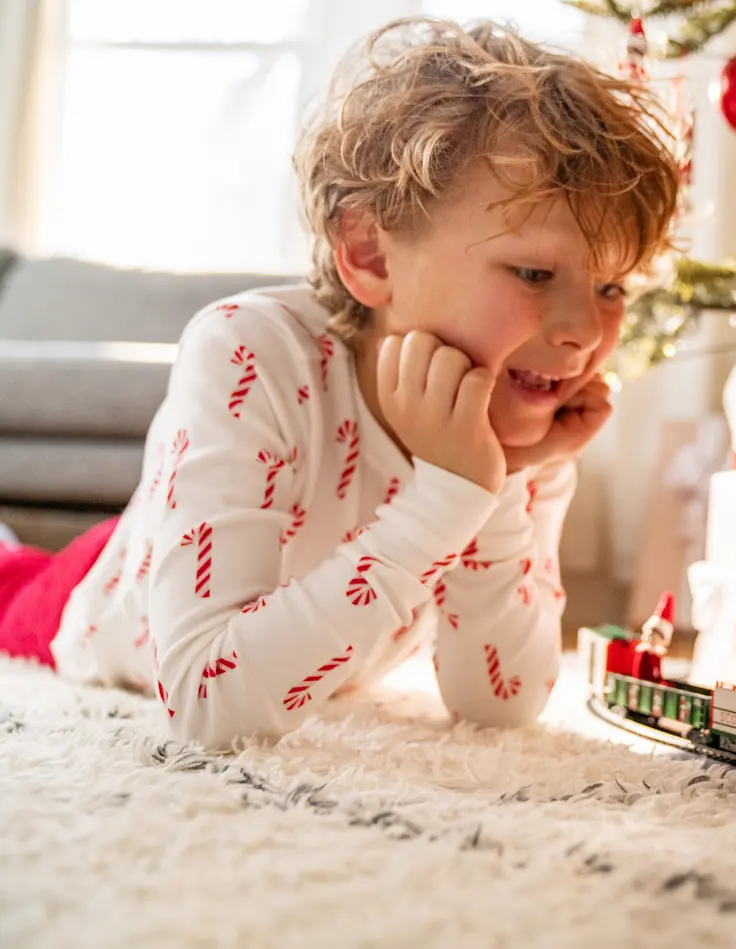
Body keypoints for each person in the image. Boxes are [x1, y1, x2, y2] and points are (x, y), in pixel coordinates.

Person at [0, 17, 680, 749]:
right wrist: (445, 499)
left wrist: (501, 482)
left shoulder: (525, 414)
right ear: (370, 254)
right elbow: (204, 706)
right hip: (89, 601)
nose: (584, 330)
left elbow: (500, 705)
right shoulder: (249, 350)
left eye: (612, 286)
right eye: (535, 273)